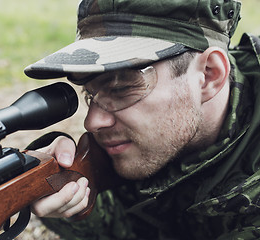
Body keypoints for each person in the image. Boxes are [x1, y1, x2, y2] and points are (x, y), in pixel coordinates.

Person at [24, 0, 260, 239]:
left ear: (209, 74)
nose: (92, 122)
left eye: (121, 88)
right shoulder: (163, 138)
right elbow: (127, 226)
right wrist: (72, 195)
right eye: (90, 94)